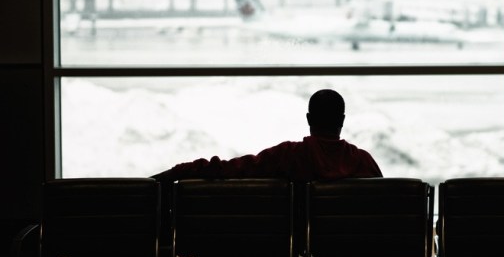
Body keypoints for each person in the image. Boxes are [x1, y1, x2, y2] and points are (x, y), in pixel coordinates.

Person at [153, 88, 382, 184]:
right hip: (350, 254)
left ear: (309, 119)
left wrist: (179, 171)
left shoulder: (289, 155)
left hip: (295, 249)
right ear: (342, 120)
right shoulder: (364, 162)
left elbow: (231, 169)